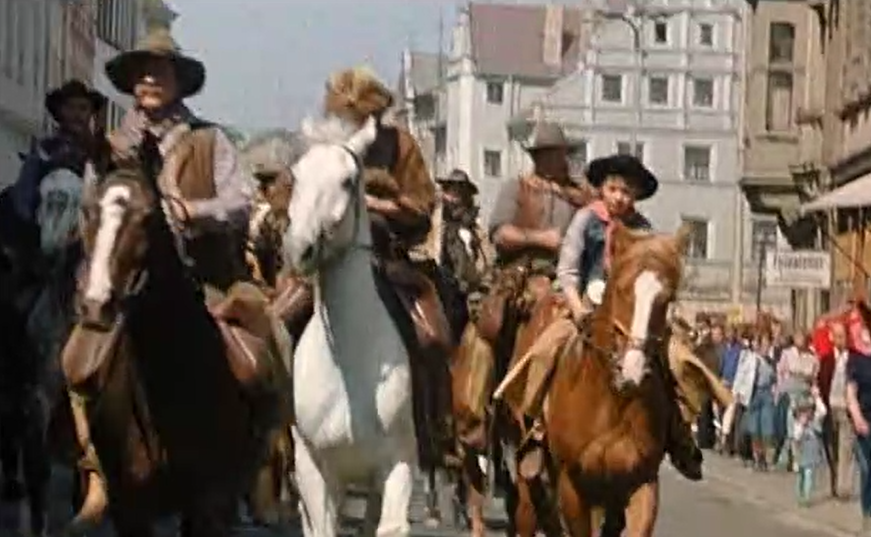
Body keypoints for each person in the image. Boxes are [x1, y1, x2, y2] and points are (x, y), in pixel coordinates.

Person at [65, 28, 273, 526]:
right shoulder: (112, 146)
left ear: (178, 81)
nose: (150, 80)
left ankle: (260, 466)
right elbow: (91, 205)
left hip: (207, 283)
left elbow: (241, 200)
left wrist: (192, 210)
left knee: (263, 357)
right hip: (126, 285)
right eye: (142, 73)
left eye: (160, 72)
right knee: (74, 363)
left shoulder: (208, 139)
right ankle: (95, 468)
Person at [556, 153, 706, 480]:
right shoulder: (585, 219)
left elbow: (653, 277)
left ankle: (679, 432)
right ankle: (536, 422)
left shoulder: (643, 230)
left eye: (626, 192)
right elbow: (567, 270)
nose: (619, 198)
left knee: (673, 361)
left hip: (632, 315)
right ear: (602, 189)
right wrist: (577, 308)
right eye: (613, 189)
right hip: (583, 305)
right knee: (549, 346)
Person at [792, 387, 826, 507]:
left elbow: (823, 411)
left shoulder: (815, 420)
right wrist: (801, 426)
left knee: (809, 474)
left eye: (808, 410)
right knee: (800, 476)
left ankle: (807, 497)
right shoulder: (797, 425)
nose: (806, 414)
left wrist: (817, 397)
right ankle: (800, 496)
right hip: (800, 455)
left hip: (811, 455)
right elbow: (796, 438)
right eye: (803, 412)